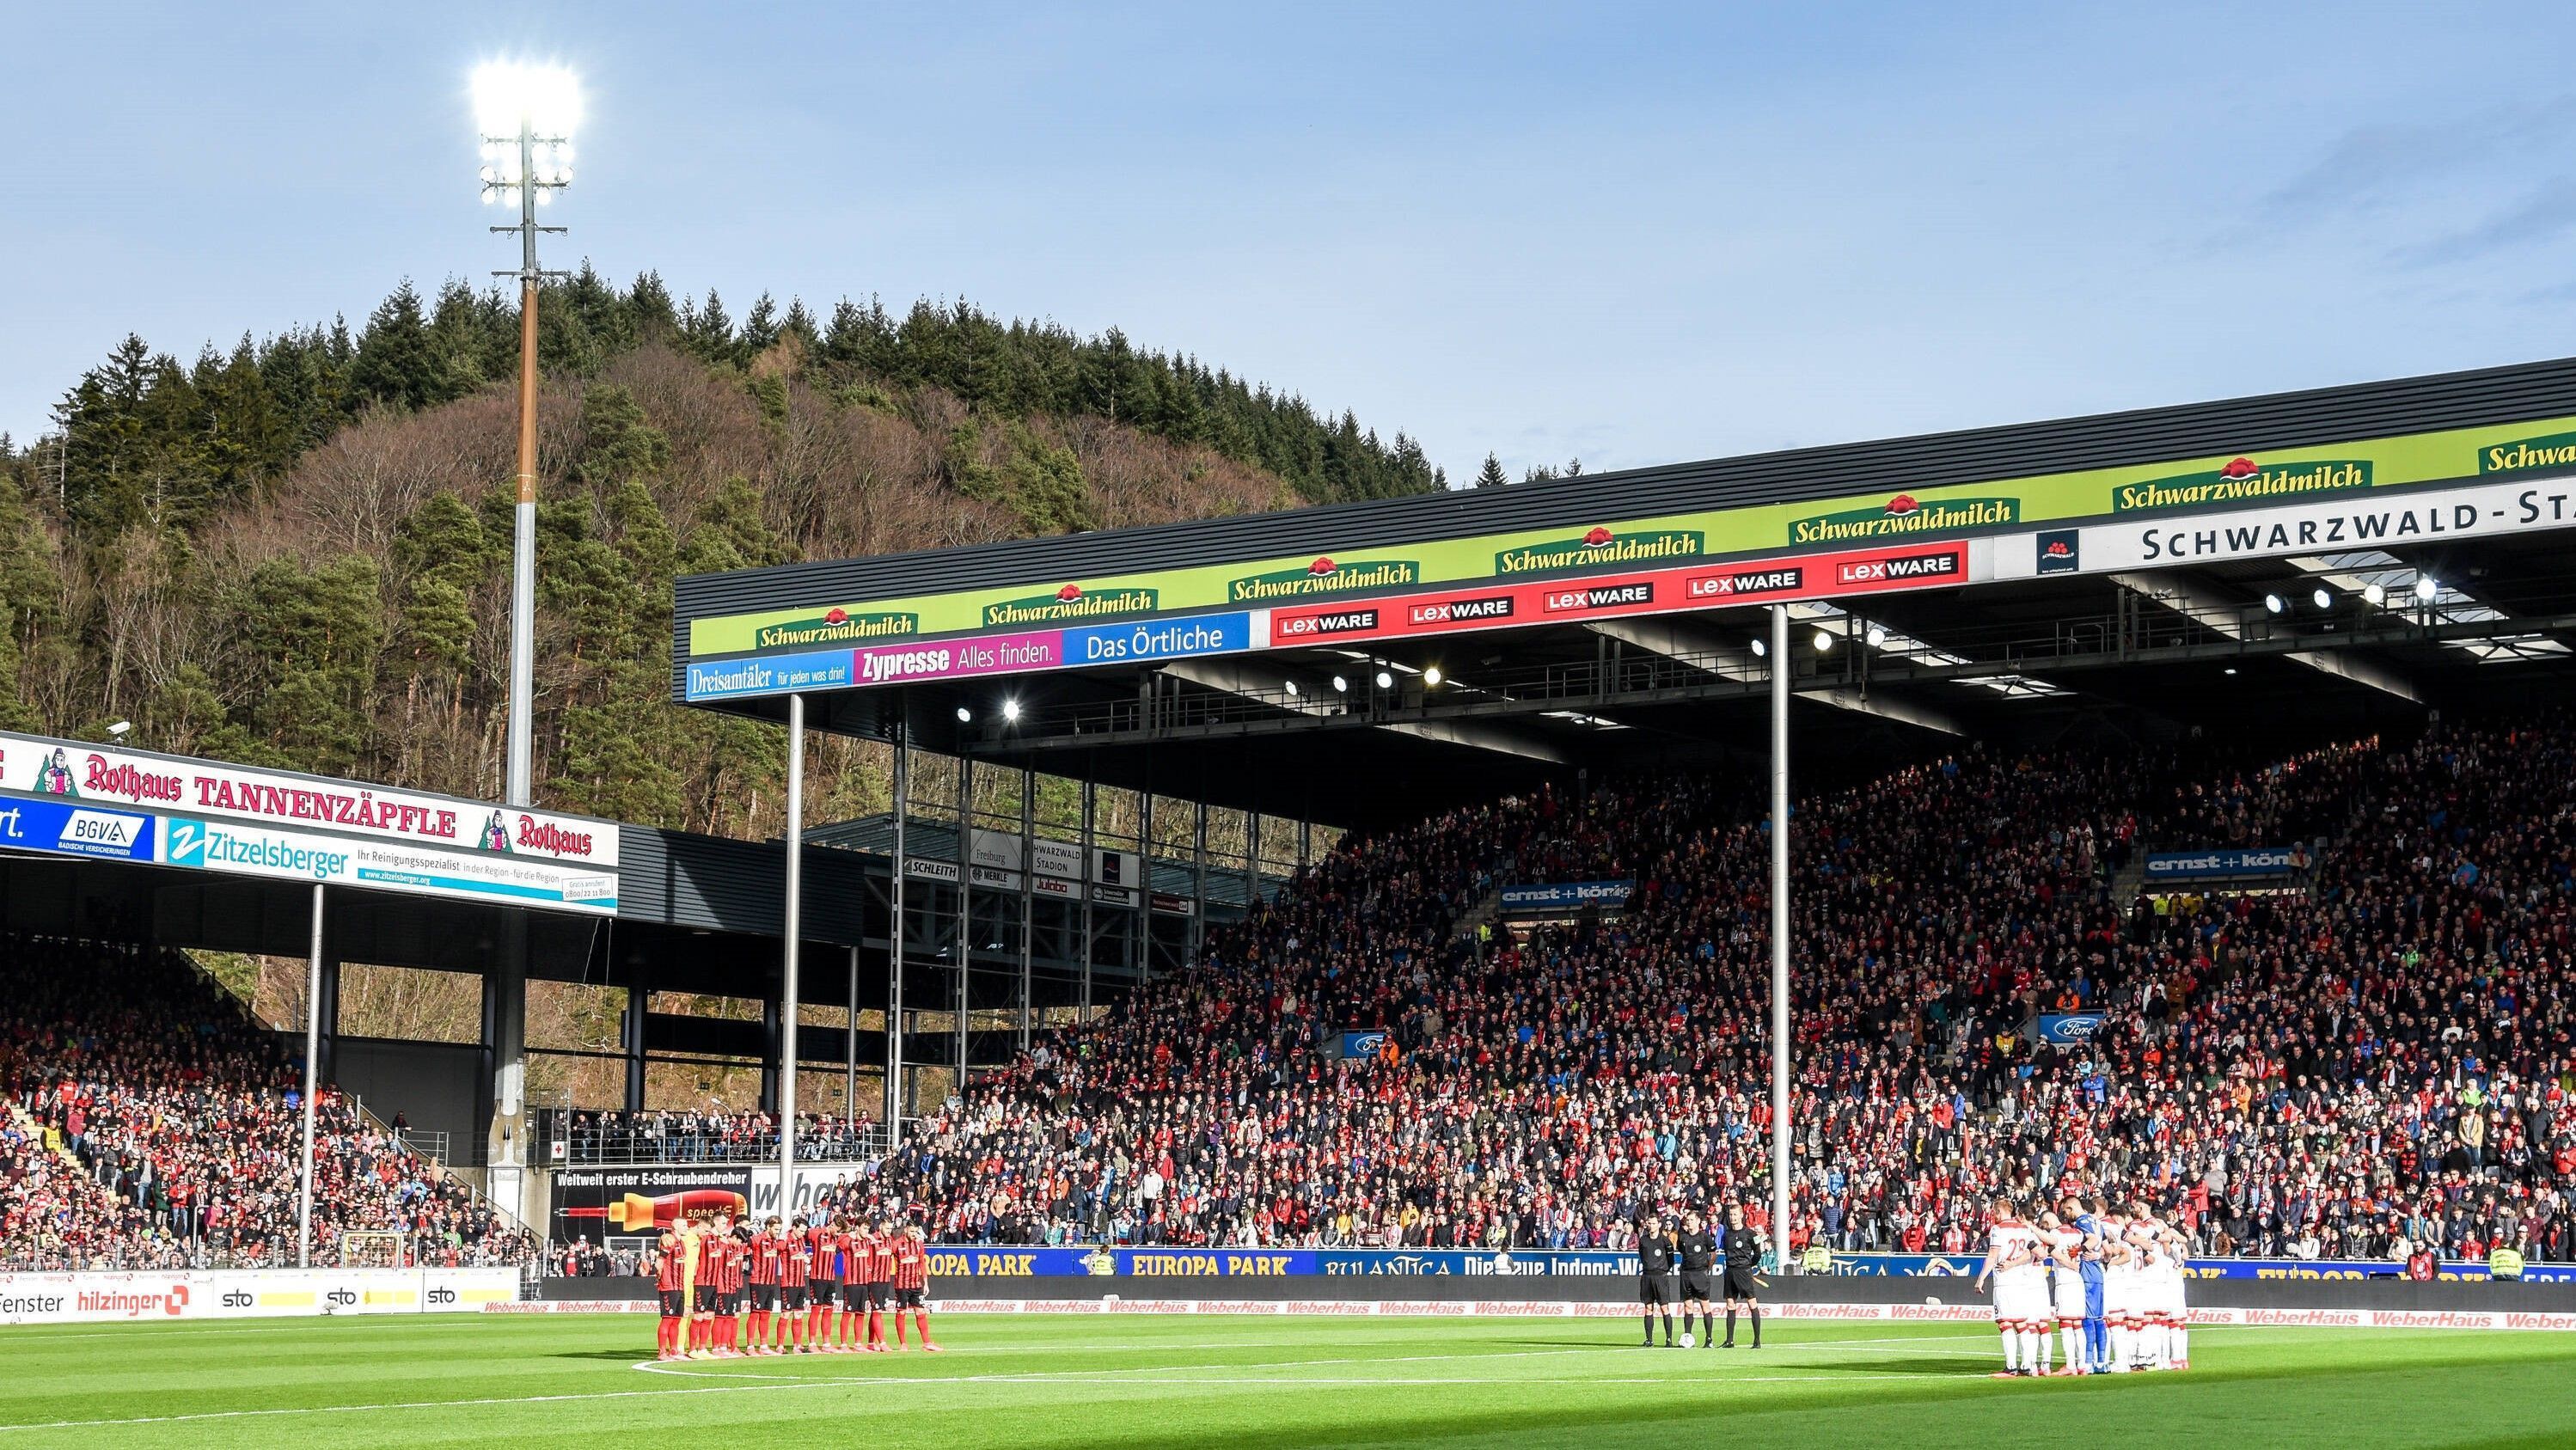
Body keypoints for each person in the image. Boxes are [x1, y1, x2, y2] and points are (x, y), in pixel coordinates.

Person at [1975, 1196, 2044, 1377]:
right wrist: (2015, 1263)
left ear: (1999, 1211)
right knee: (2022, 1324)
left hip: (2004, 1282)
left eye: (1994, 1212)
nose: (1993, 1216)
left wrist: (1981, 1278)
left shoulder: (1998, 1230)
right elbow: (2037, 1253)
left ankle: (2011, 1366)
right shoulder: (2024, 1229)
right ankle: (2028, 1365)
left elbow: (1993, 1254)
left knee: (2005, 1324)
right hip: (2022, 1282)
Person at [2041, 1208, 2085, 1376]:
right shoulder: (2077, 1233)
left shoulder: (2055, 1234)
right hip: (2078, 1281)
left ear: (2049, 1222)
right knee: (2078, 1325)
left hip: (2065, 1281)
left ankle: (2070, 1365)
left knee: (2066, 1324)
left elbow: (2057, 1255)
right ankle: (2082, 1364)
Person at [1718, 1203, 1764, 1349]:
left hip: (1744, 1271)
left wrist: (1749, 1266)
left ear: (1741, 1215)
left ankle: (1757, 1341)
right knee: (1730, 1304)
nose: (1733, 1218)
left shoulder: (1750, 1234)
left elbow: (1758, 1253)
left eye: (1735, 1215)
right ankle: (1729, 1340)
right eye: (1731, 1215)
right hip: (1730, 1271)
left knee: (1752, 1303)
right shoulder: (1727, 1234)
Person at [891, 1219, 940, 1351]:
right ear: (906, 1230)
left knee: (920, 1312)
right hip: (901, 1285)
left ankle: (927, 1342)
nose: (914, 1234)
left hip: (916, 1284)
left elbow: (921, 1263)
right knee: (901, 1313)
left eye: (916, 1231)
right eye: (912, 1231)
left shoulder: (918, 1244)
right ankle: (903, 1343)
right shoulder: (896, 1244)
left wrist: (925, 1283)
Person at [1634, 1212, 1679, 1347]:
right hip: (1647, 1276)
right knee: (1648, 1308)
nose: (1651, 1226)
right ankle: (1649, 1339)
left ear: (1659, 1224)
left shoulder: (1665, 1241)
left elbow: (1671, 1260)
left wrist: (1663, 1270)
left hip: (1660, 1277)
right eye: (1650, 1223)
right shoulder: (1644, 1240)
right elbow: (1642, 1256)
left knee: (1665, 1308)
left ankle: (1669, 1339)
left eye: (1654, 1223)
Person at [1674, 1209, 1717, 1348]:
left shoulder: (1704, 1237)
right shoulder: (1683, 1237)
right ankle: (1688, 1337)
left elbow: (1713, 1254)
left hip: (1700, 1275)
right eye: (1688, 1220)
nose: (1689, 1222)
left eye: (1692, 1220)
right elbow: (1681, 1251)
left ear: (1698, 1221)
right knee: (1688, 1307)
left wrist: (1707, 1268)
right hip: (1686, 1274)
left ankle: (1709, 1339)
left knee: (1705, 1306)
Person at [774, 1214, 811, 1354]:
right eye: (801, 1230)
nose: (803, 1233)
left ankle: (797, 1345)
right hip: (788, 1283)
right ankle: (780, 1346)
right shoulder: (785, 1239)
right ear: (794, 1228)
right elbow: (776, 1250)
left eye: (804, 1231)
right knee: (785, 1314)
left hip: (800, 1282)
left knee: (799, 1314)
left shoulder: (801, 1241)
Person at [805, 1213, 841, 1353]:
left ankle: (826, 1343)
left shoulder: (836, 1238)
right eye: (837, 1230)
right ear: (832, 1225)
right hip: (817, 1277)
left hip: (830, 1278)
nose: (838, 1233)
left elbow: (837, 1250)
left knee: (828, 1311)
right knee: (815, 1310)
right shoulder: (816, 1233)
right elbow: (800, 1234)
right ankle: (812, 1343)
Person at [652, 1224, 688, 1361]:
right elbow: (659, 1262)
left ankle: (674, 1350)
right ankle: (662, 1352)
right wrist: (659, 1278)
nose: (686, 1227)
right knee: (667, 1319)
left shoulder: (682, 1243)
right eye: (684, 1225)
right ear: (675, 1227)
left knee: (676, 1320)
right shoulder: (669, 1241)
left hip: (679, 1286)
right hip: (669, 1286)